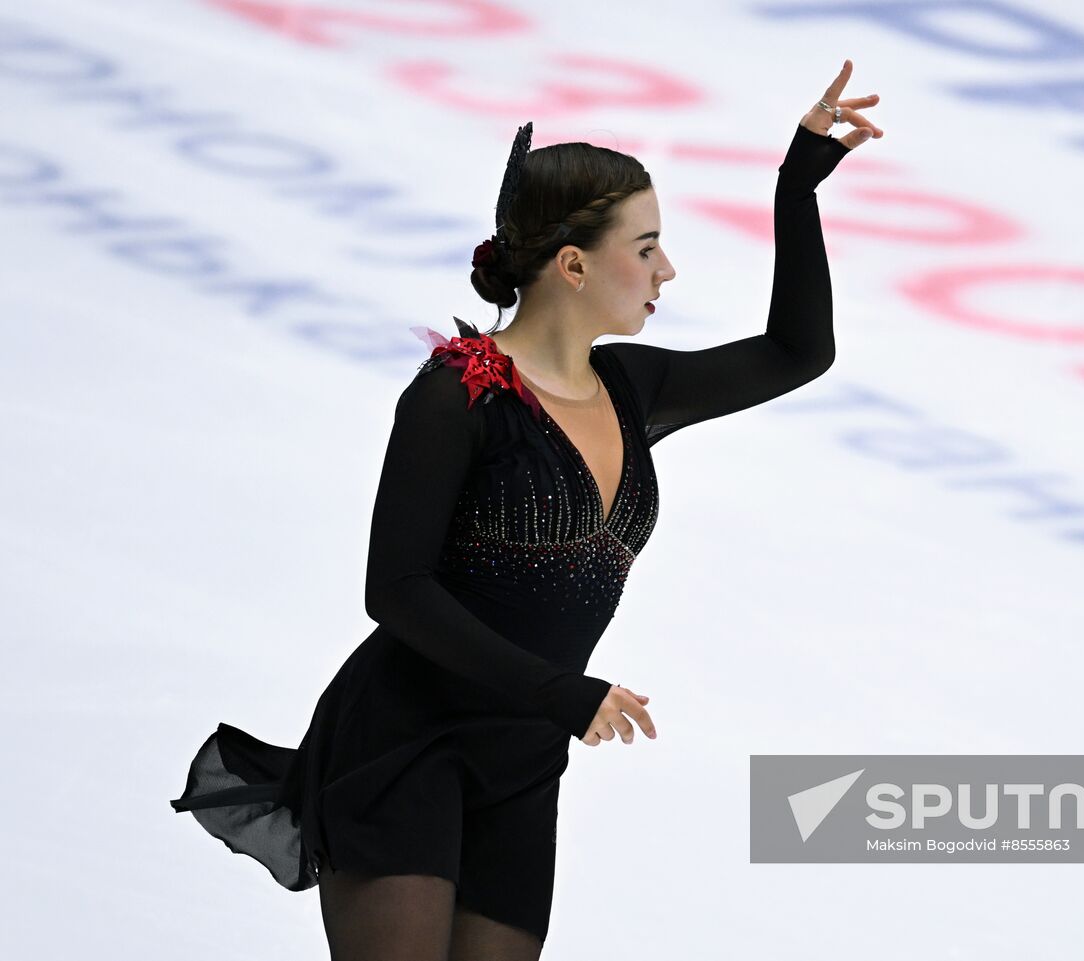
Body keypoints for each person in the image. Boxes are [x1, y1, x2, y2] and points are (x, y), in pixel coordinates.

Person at [169, 59, 882, 961]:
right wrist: (564, 693)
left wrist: (799, 181)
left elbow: (796, 351)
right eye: (648, 246)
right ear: (575, 264)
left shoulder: (634, 386)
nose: (669, 267)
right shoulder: (457, 398)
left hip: (524, 761)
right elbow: (395, 589)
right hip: (404, 742)